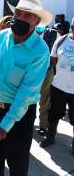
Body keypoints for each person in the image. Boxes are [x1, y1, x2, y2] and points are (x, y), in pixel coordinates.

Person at [0, 0, 51, 176]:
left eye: (28, 15)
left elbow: (25, 94)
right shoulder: (3, 36)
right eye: (19, 13)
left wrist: (5, 126)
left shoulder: (40, 51)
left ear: (37, 21)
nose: (21, 18)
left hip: (20, 115)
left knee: (17, 165)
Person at [40, 17, 74, 155]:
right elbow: (53, 59)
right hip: (59, 86)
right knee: (54, 114)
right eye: (73, 27)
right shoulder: (61, 41)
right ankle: (50, 137)